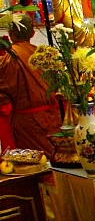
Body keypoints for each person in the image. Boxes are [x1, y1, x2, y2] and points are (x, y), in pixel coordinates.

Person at [0, 15, 61, 156]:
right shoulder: (45, 55)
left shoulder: (9, 59)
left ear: (10, 34)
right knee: (55, 159)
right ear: (33, 33)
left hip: (27, 122)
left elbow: (3, 94)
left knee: (34, 164)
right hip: (53, 118)